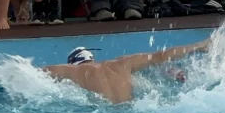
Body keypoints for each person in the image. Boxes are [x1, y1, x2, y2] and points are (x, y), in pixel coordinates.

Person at [36, 39, 211, 104]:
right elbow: (161, 56)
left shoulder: (73, 72)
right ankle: (205, 45)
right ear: (91, 58)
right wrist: (198, 46)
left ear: (74, 62)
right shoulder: (121, 63)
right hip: (136, 110)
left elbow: (37, 73)